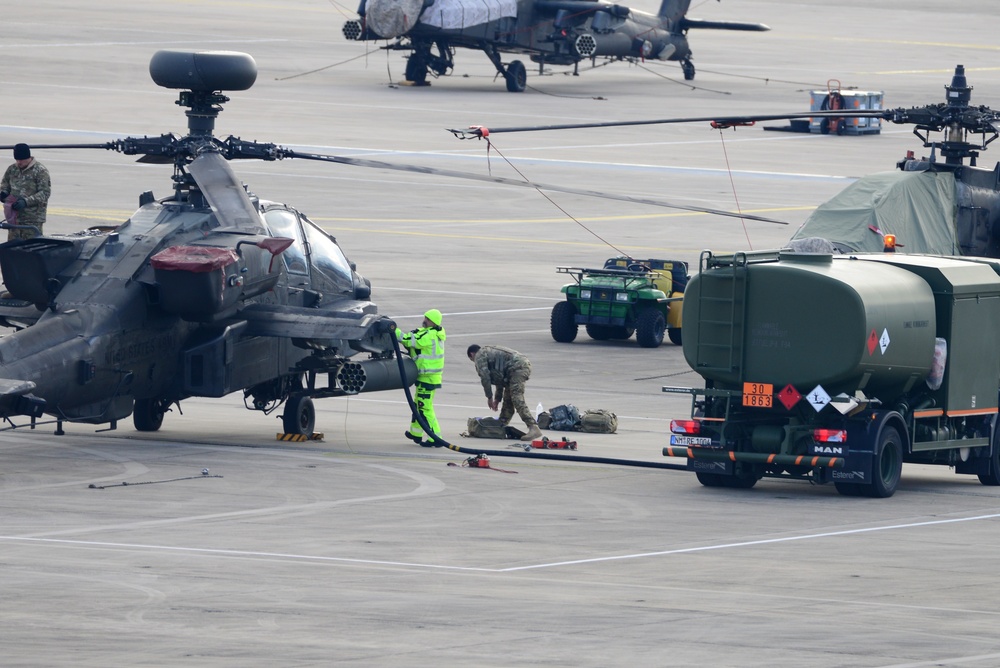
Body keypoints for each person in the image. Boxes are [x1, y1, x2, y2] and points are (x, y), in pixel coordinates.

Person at [467, 344, 542, 441]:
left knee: (516, 397)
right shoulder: (489, 352)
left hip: (517, 368)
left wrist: (489, 397)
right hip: (515, 367)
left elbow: (485, 377)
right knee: (508, 398)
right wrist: (497, 399)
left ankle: (533, 427)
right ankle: (502, 423)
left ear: (472, 354)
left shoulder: (479, 355)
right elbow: (499, 377)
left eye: (472, 359)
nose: (474, 362)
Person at [397, 309, 446, 446]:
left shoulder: (429, 336)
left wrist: (394, 331)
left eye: (427, 319)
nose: (424, 320)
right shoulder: (432, 333)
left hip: (428, 378)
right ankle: (416, 433)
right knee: (418, 406)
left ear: (433, 322)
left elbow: (408, 341)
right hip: (426, 376)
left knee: (425, 408)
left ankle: (435, 438)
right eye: (425, 318)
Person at [1, 144, 51, 241]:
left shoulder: (40, 171)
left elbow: (45, 193)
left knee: (31, 248)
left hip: (32, 220)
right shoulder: (12, 169)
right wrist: (4, 193)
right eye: (17, 160)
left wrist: (26, 202)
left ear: (28, 157)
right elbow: (5, 184)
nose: (19, 162)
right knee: (13, 249)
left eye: (21, 160)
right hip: (14, 218)